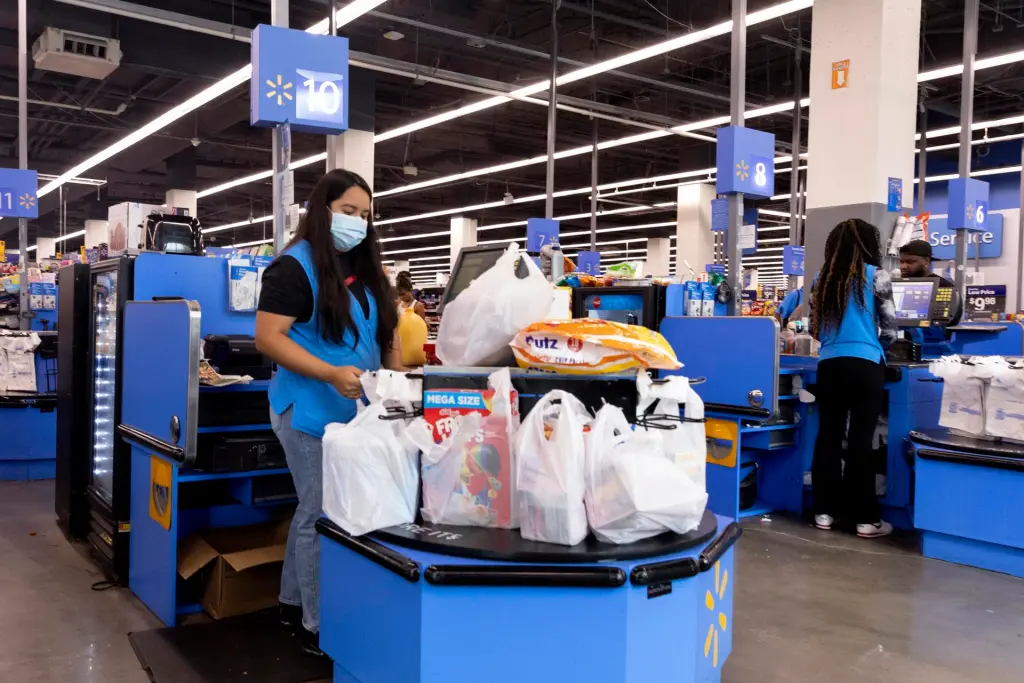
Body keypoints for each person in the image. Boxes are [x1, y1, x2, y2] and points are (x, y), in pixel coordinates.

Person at [255, 169, 402, 656]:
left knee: (320, 510)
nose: (357, 222)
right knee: (320, 512)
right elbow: (269, 338)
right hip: (308, 413)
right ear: (323, 210)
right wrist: (329, 374)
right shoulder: (293, 268)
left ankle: (291, 602)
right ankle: (317, 623)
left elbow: (386, 336)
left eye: (364, 214)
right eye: (347, 212)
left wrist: (396, 380)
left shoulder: (365, 270)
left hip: (358, 416)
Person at [809, 219, 898, 538]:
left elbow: (814, 330)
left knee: (828, 437)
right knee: (861, 439)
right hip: (865, 366)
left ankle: (824, 513)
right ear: (868, 246)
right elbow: (890, 330)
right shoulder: (879, 277)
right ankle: (865, 520)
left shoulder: (822, 279)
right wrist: (870, 345)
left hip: (829, 365)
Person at [898, 239, 962, 327]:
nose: (903, 267)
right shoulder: (897, 286)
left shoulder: (943, 286)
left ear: (926, 261)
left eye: (910, 262)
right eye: (901, 262)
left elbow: (950, 323)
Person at [395, 272, 428, 366]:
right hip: (400, 342)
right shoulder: (397, 304)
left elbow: (422, 327)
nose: (401, 297)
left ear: (410, 291)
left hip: (413, 343)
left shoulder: (418, 306)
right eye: (399, 295)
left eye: (403, 294)